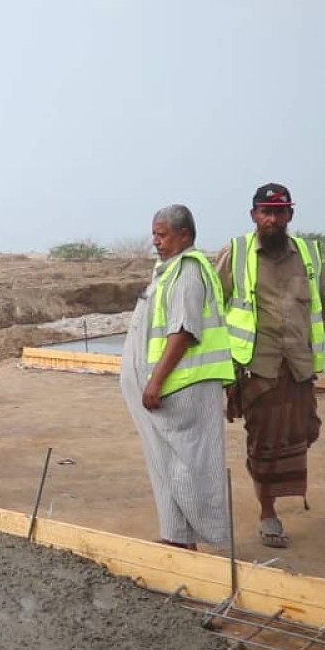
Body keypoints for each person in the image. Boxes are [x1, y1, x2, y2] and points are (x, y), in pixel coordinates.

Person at [217, 183, 325, 549]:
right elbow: (214, 306)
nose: (272, 219)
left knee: (301, 433)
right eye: (265, 212)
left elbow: (322, 303)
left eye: (279, 212)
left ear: (290, 214)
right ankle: (267, 513)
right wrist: (216, 368)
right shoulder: (237, 253)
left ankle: (276, 498)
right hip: (257, 369)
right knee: (263, 441)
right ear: (254, 215)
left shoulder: (308, 253)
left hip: (299, 367)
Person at [120, 204, 233, 551]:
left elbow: (183, 331)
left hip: (181, 388)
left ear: (185, 235)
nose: (156, 241)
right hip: (166, 391)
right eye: (154, 234)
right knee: (165, 464)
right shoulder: (166, 271)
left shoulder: (187, 273)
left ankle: (197, 534)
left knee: (187, 466)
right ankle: (176, 537)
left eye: (162, 234)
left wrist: (155, 381)